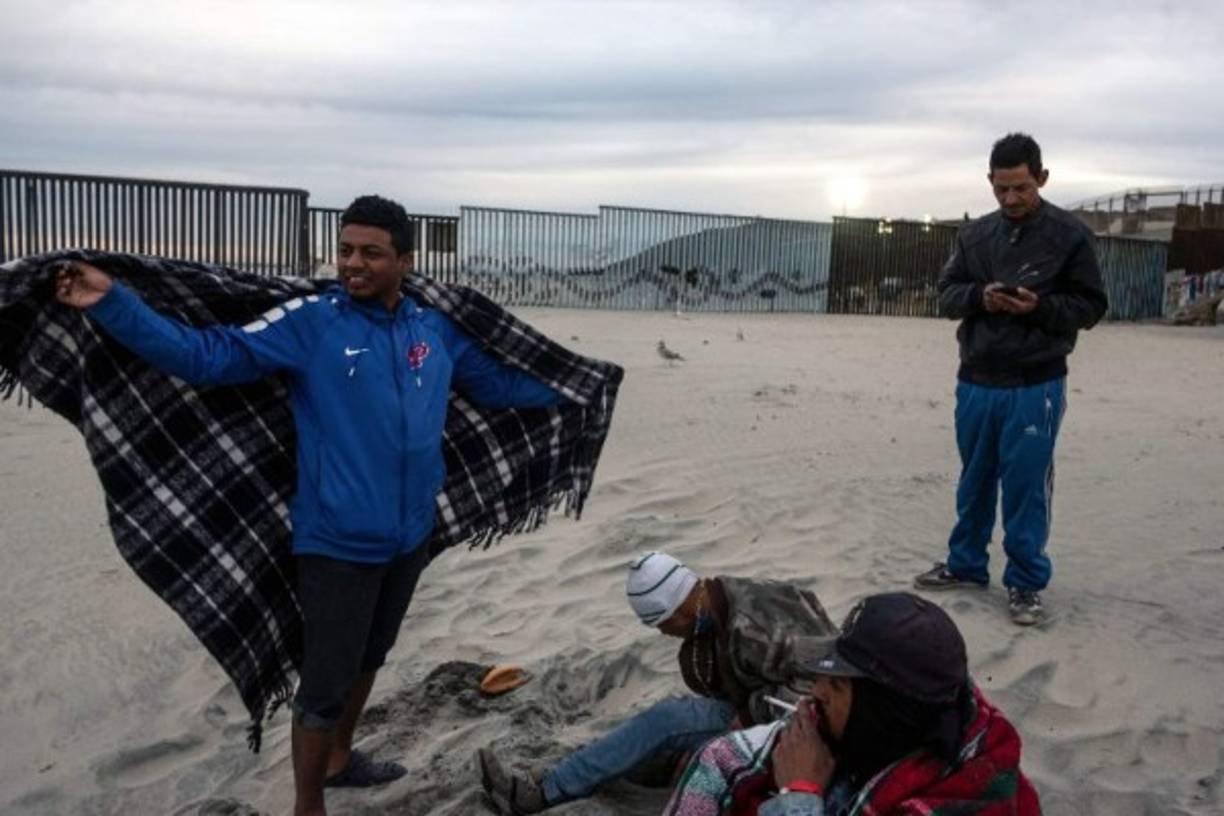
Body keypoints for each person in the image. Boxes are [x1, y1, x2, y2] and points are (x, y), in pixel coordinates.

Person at [54, 195, 565, 816]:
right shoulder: (313, 323)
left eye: (371, 253)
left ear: (405, 261)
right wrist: (113, 301)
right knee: (324, 682)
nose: (352, 263)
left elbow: (495, 383)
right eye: (345, 250)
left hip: (410, 536)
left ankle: (340, 759)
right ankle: (307, 804)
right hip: (336, 540)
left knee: (371, 655)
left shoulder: (433, 330)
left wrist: (574, 387)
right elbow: (205, 356)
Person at [914, 133, 1108, 626]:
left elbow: (1091, 307)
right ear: (990, 182)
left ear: (1042, 178)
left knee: (1025, 485)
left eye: (1021, 187)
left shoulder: (1070, 235)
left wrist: (1038, 307)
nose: (1011, 198)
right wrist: (980, 297)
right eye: (1001, 189)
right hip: (976, 379)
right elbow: (946, 295)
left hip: (1035, 382)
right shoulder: (975, 236)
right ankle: (966, 565)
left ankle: (1025, 582)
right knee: (974, 478)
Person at [476, 551, 836, 813]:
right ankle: (573, 773)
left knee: (668, 719)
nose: (665, 634)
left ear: (679, 610)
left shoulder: (753, 622)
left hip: (807, 726)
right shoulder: (721, 601)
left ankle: (543, 793)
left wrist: (745, 717)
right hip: (764, 711)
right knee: (646, 745)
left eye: (663, 624)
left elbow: (818, 683)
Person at [664, 592, 1041, 815]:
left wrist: (799, 794)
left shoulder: (972, 791)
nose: (815, 693)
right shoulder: (860, 737)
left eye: (836, 685)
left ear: (880, 711)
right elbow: (722, 760)